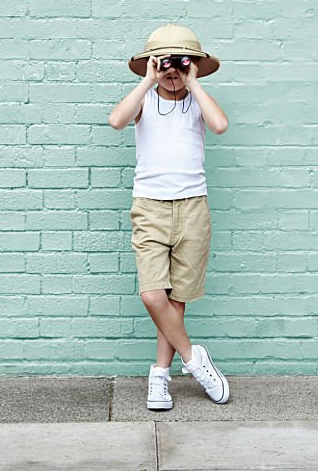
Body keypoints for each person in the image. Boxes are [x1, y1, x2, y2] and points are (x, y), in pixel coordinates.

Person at [107, 23, 230, 410]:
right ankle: (195, 360)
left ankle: (159, 377)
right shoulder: (145, 99)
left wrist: (194, 82)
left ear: (192, 64)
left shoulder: (196, 98)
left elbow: (220, 124)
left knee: (176, 302)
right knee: (152, 294)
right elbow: (116, 120)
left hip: (192, 206)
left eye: (181, 62)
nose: (172, 70)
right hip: (150, 207)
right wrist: (148, 80)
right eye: (165, 63)